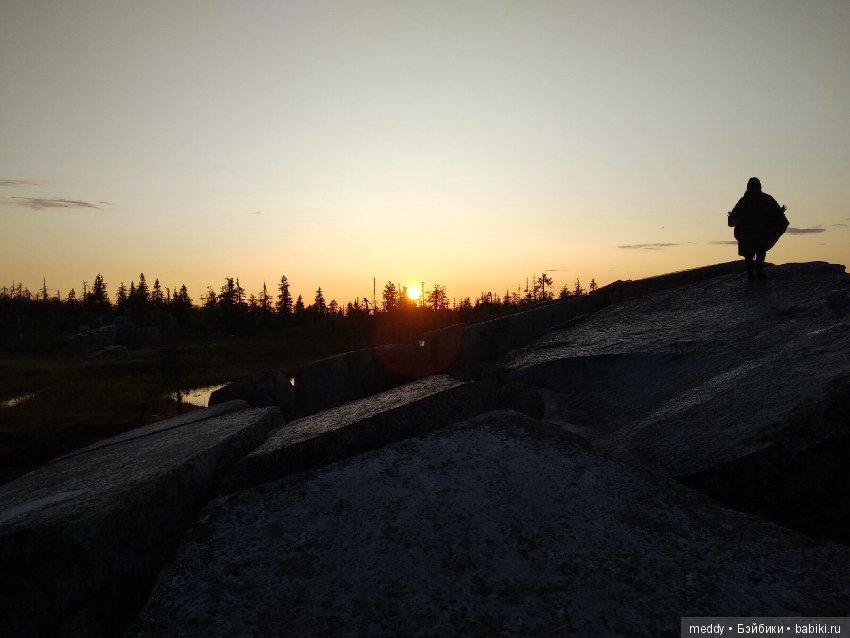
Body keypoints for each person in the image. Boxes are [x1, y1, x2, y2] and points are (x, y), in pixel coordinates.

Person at [727, 177, 788, 281]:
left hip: (747, 233)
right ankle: (758, 273)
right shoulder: (765, 198)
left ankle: (751, 274)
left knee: (749, 254)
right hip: (761, 232)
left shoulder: (744, 200)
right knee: (760, 251)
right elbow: (776, 214)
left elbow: (733, 219)